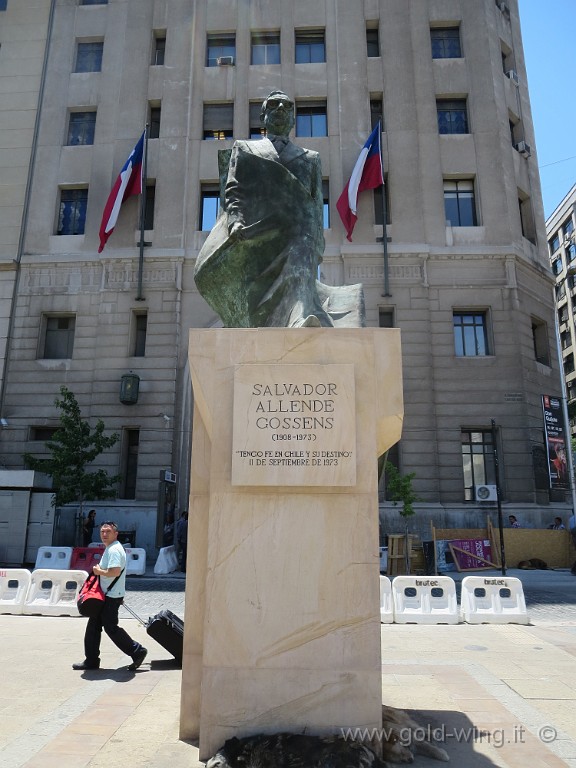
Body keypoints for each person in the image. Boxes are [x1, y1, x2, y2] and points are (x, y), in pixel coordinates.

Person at [194, 90, 364, 329]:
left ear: (294, 119)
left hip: (296, 234)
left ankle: (301, 319)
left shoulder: (310, 158)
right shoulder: (244, 150)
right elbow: (233, 190)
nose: (280, 110)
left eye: (286, 107)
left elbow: (315, 206)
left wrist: (316, 244)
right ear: (263, 116)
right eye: (273, 105)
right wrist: (235, 222)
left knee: (299, 264)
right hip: (257, 233)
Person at [73, 521, 147, 671]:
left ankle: (137, 650)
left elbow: (114, 572)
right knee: (94, 627)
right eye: (102, 532)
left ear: (116, 534)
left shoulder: (114, 550)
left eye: (108, 532)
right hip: (107, 595)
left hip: (109, 596)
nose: (104, 534)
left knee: (110, 628)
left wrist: (99, 571)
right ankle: (91, 660)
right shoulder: (112, 548)